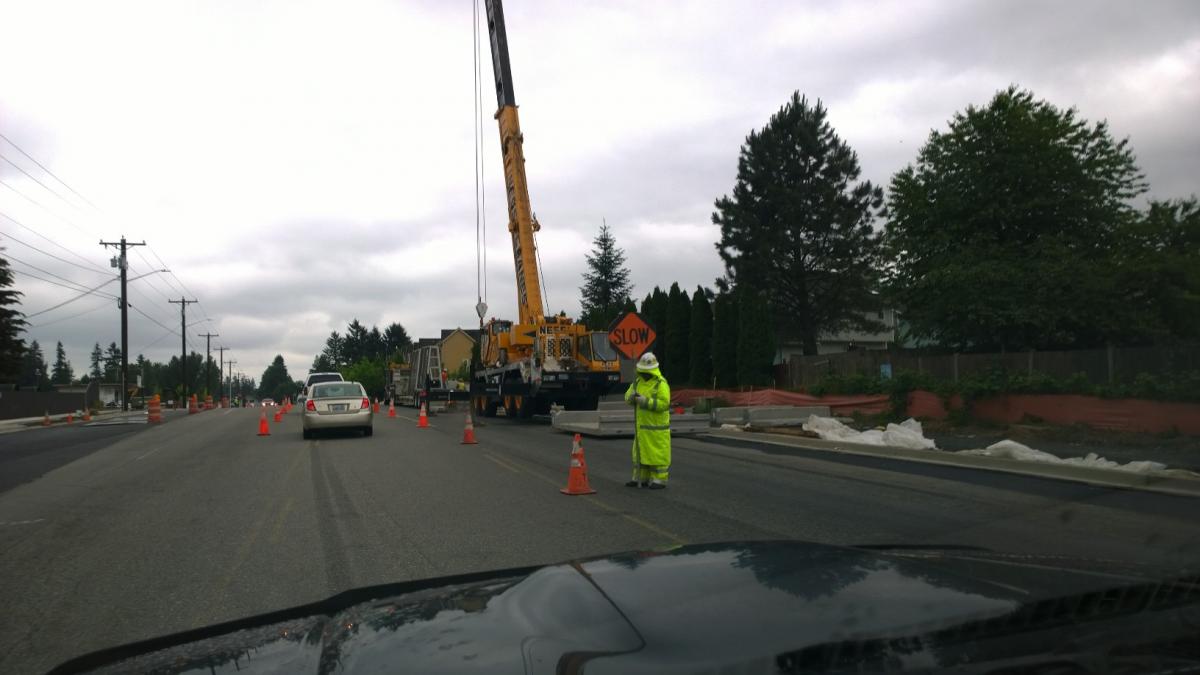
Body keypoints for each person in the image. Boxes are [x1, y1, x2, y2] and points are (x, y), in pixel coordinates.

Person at [624, 352, 671, 489]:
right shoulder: (637, 382)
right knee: (640, 454)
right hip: (642, 428)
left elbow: (664, 404)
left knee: (657, 455)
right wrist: (632, 398)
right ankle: (640, 478)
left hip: (656, 429)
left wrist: (646, 402)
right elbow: (627, 397)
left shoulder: (660, 384)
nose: (644, 374)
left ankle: (659, 480)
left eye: (646, 371)